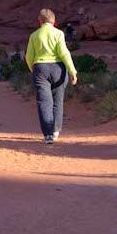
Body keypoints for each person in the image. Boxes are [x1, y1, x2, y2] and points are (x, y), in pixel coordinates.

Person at [25, 8, 77, 144]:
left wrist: (34, 70)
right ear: (54, 22)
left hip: (40, 68)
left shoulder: (34, 35)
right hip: (58, 68)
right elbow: (64, 53)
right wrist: (72, 71)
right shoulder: (59, 33)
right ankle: (55, 132)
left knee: (44, 102)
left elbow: (28, 57)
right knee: (57, 102)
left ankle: (48, 135)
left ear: (39, 21)